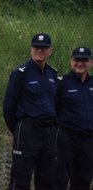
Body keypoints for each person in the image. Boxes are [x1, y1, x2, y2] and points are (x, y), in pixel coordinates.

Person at [3, 33, 58, 190]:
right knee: (20, 178)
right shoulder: (20, 73)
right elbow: (8, 107)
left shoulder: (52, 75)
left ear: (50, 51)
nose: (39, 50)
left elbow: (55, 104)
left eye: (43, 48)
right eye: (36, 47)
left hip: (48, 132)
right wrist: (20, 128)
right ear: (31, 49)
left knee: (47, 179)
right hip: (27, 130)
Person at [55, 47, 93, 190]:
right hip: (67, 139)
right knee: (60, 178)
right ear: (71, 62)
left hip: (88, 140)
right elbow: (54, 109)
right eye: (77, 59)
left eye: (84, 60)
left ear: (91, 62)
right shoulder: (62, 83)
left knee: (83, 180)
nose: (80, 63)